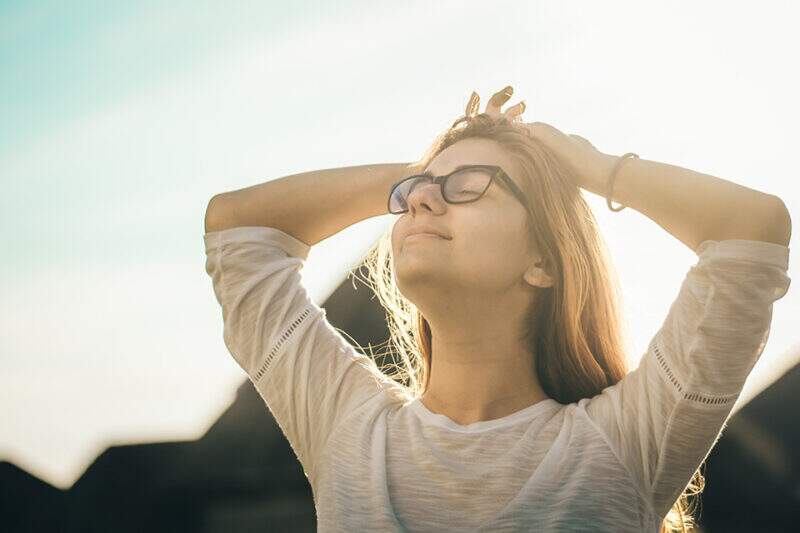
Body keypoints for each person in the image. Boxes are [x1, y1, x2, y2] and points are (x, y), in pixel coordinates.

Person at [203, 86, 791, 532]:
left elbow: (752, 229)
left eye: (471, 184)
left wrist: (590, 166)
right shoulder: (346, 428)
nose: (423, 200)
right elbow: (238, 227)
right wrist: (423, 170)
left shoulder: (624, 440)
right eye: (415, 194)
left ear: (544, 261)